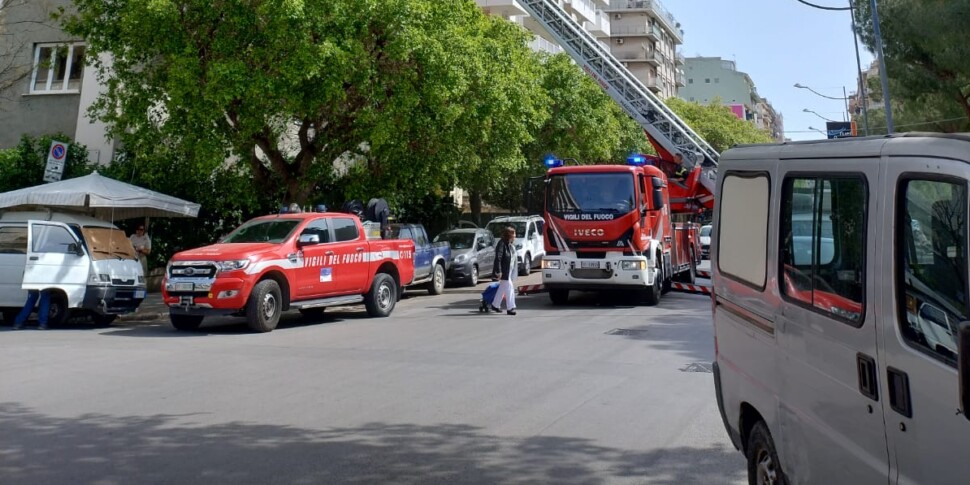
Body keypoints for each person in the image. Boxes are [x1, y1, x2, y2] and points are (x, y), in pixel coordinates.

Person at [490, 226, 517, 316]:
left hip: (507, 270)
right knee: (509, 288)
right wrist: (499, 271)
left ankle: (495, 305)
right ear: (509, 235)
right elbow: (498, 257)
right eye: (514, 234)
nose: (515, 236)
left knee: (502, 288)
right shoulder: (501, 244)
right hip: (503, 271)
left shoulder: (508, 244)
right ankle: (510, 308)